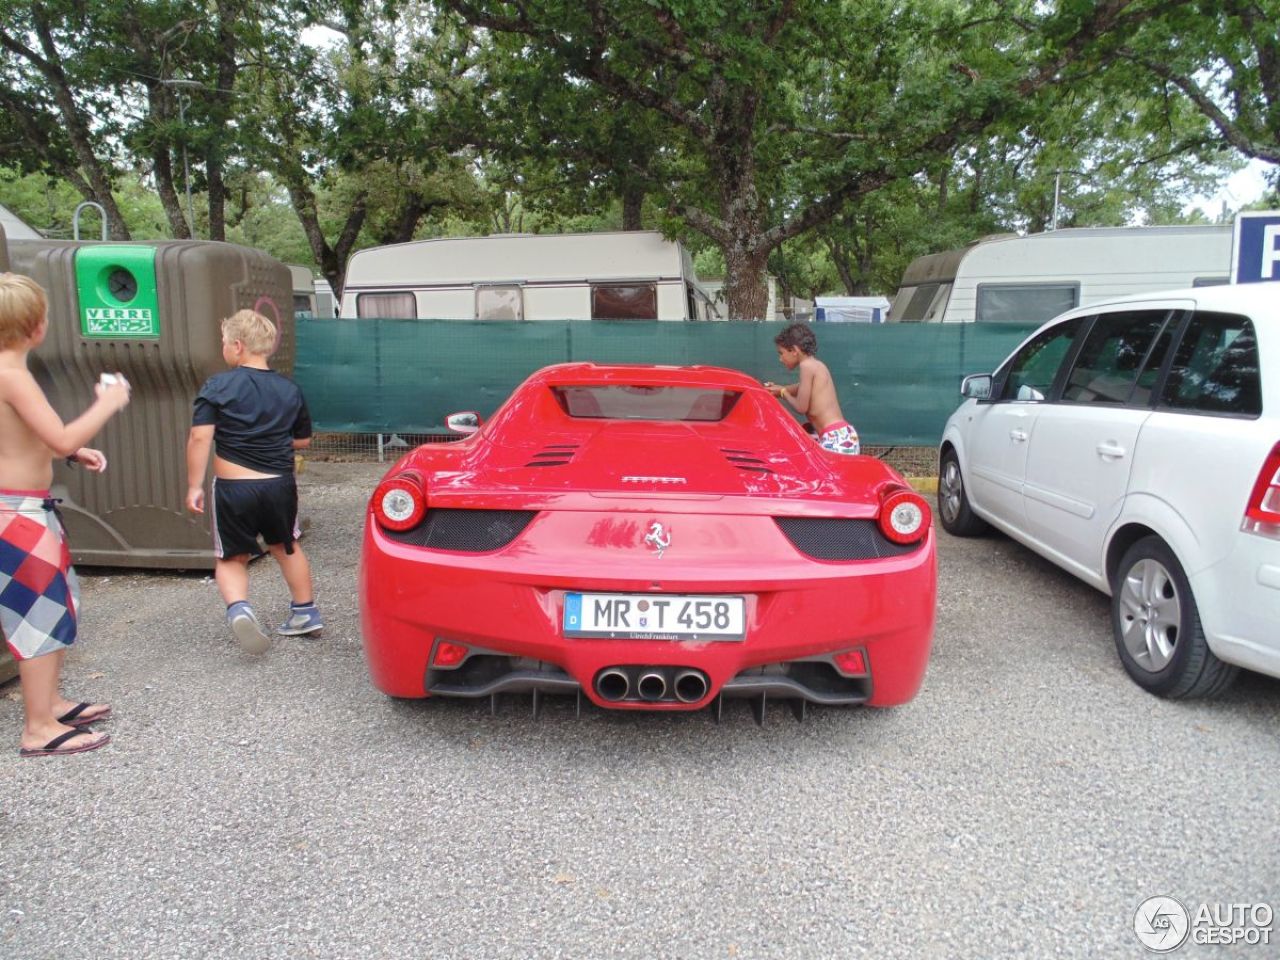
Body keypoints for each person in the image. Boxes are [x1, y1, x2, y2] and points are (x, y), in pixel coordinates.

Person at [0, 273, 131, 757]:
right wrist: (108, 402)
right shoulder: (12, 375)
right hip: (17, 513)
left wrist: (73, 454)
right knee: (38, 612)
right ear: (36, 326)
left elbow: (28, 437)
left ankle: (49, 702)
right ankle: (38, 727)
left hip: (21, 508)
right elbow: (58, 437)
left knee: (55, 603)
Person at [185, 309, 322, 653]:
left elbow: (200, 438)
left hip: (234, 487)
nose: (223, 348)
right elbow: (303, 440)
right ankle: (305, 613)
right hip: (279, 485)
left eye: (223, 342)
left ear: (237, 345)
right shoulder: (289, 389)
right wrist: (271, 438)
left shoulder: (218, 386)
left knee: (232, 557)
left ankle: (240, 608)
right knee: (286, 545)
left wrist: (193, 486)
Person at [763, 321, 860, 455]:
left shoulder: (806, 367)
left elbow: (801, 407)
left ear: (794, 351)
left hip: (835, 439)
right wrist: (779, 390)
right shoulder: (816, 365)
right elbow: (800, 387)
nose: (780, 359)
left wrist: (783, 392)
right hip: (842, 435)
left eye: (781, 353)